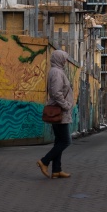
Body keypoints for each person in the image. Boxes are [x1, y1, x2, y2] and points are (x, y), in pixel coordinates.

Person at [37, 50, 74, 179]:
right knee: (65, 141)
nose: (65, 61)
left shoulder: (56, 71)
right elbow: (56, 93)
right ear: (59, 59)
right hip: (60, 112)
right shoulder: (57, 73)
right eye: (63, 59)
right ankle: (44, 161)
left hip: (59, 111)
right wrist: (66, 105)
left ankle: (57, 170)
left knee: (59, 141)